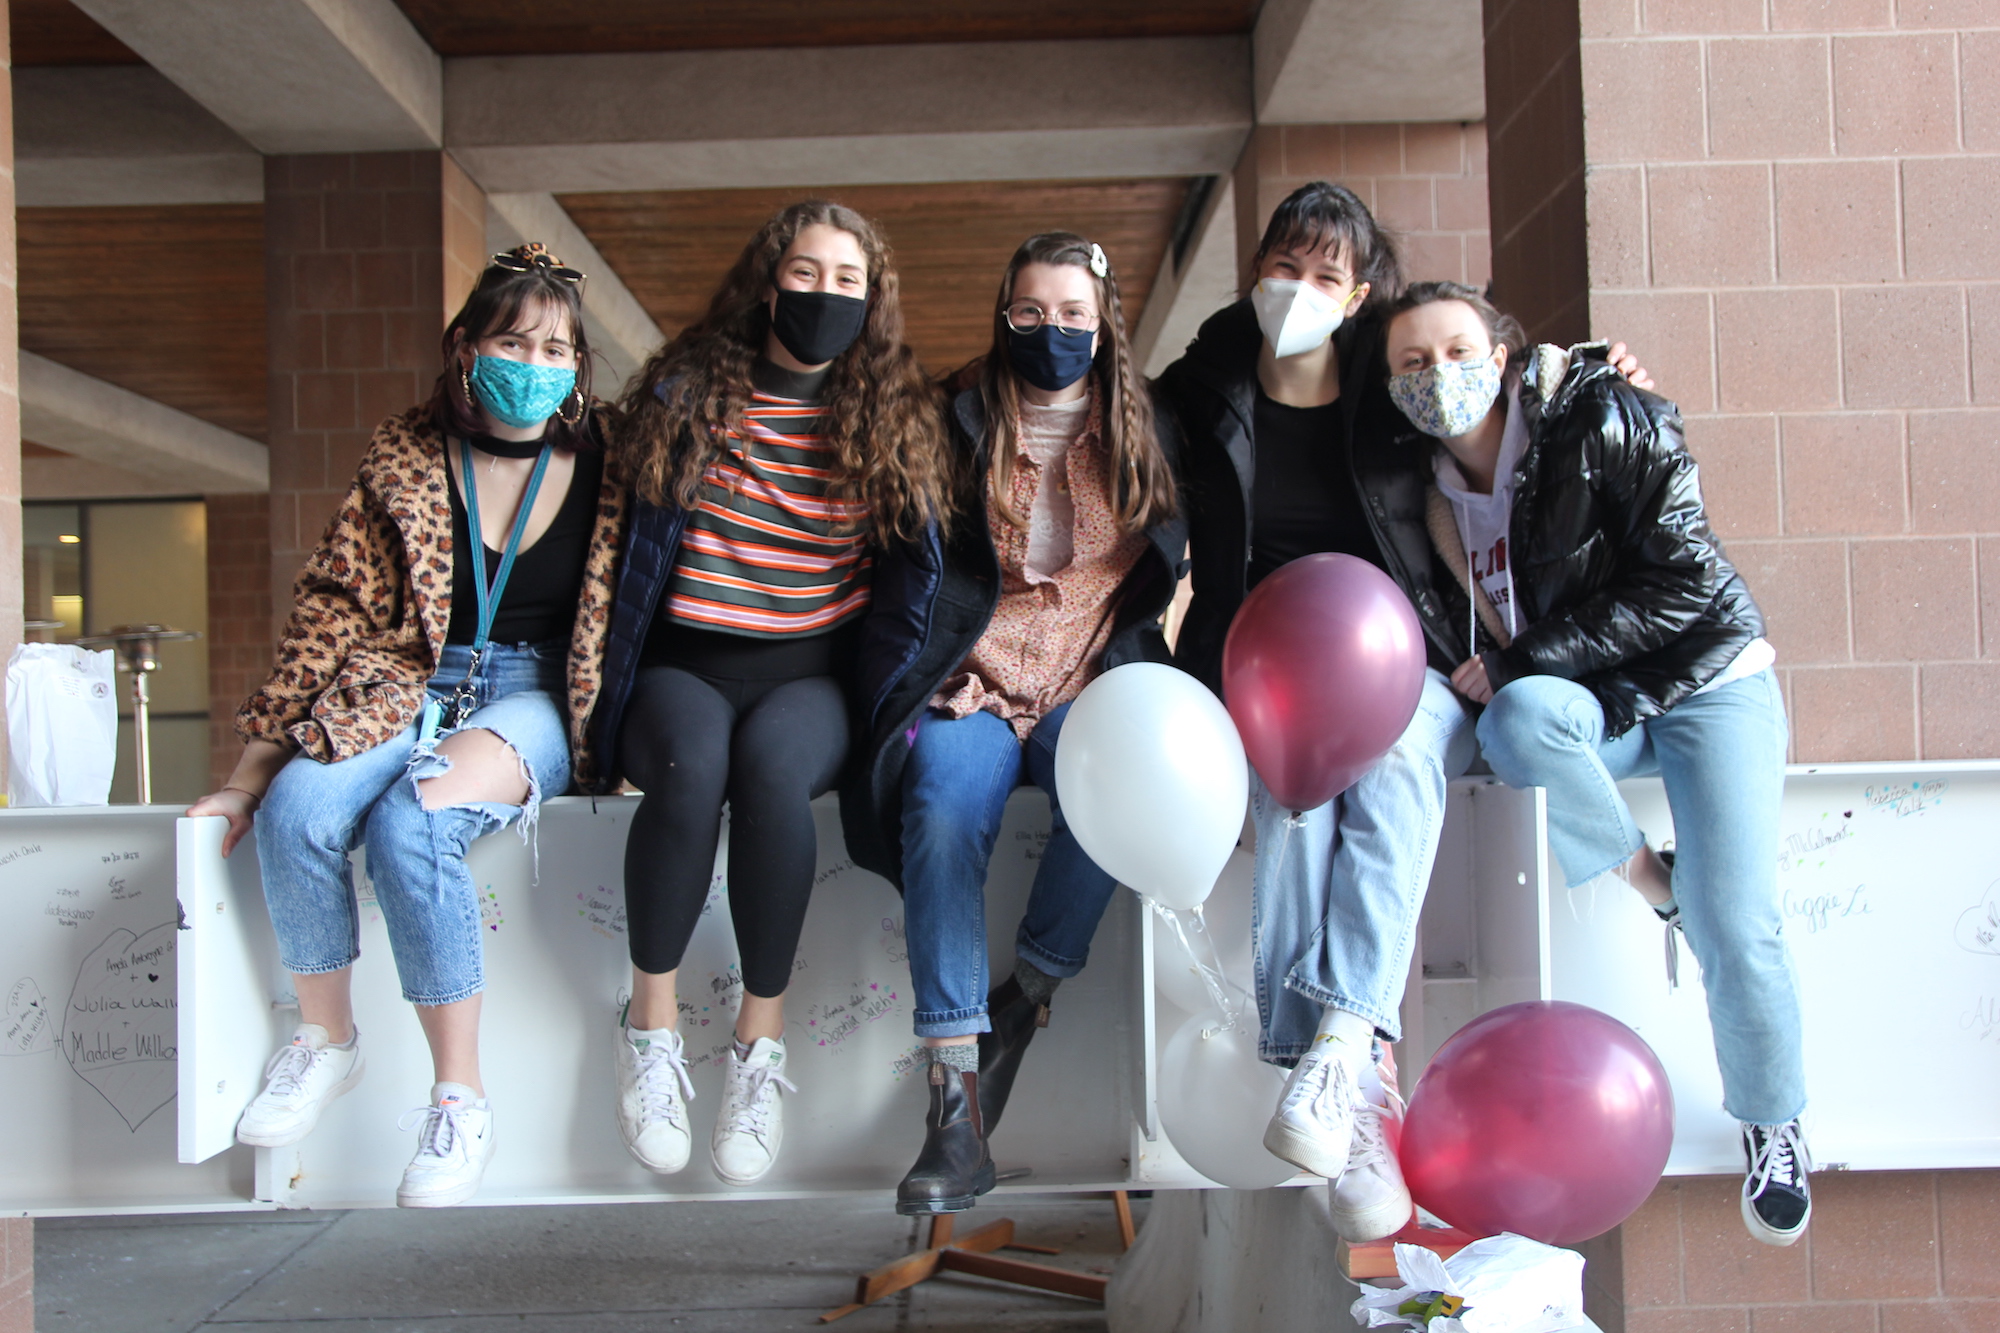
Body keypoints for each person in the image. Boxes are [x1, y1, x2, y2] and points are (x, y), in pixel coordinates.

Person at [1157, 181, 1652, 1243]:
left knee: (1390, 771)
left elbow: (1487, 386)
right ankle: (1345, 1088)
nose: (1297, 289)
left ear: (1359, 291)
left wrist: (1593, 380)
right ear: (1255, 274)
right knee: (1292, 799)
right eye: (1282, 267)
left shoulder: (1390, 383)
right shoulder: (1207, 384)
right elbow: (1117, 426)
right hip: (1265, 673)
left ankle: (1335, 1043)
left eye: (1325, 275)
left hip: (1406, 660)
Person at [186, 244, 624, 1208]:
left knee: (412, 819)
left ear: (579, 369)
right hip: (412, 676)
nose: (536, 362)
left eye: (558, 348)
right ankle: (325, 1039)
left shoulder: (611, 463)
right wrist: (248, 775)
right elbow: (331, 611)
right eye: (515, 339)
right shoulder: (406, 454)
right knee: (302, 808)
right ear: (466, 348)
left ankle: (459, 1097)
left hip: (541, 694)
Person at [1382, 281, 1808, 1246]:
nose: (1437, 376)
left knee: (1739, 927)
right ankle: (1660, 886)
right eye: (1411, 363)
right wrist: (1519, 672)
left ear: (1503, 353)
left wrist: (1521, 659)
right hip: (1594, 698)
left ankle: (1773, 1118)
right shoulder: (1424, 493)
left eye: (1456, 351)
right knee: (1516, 723)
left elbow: (1685, 583)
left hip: (1706, 675)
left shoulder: (1606, 413)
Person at [593, 201, 953, 1187]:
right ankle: (651, 1032)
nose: (824, 295)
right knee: (689, 767)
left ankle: (758, 1051)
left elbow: (919, 585)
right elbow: (611, 542)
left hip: (808, 674)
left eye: (847, 280)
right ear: (767, 282)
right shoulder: (684, 394)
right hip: (681, 663)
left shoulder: (890, 418)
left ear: (871, 301)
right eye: (807, 273)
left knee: (770, 775)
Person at [840, 234, 1185, 1215]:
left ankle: (1025, 994)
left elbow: (1264, 396)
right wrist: (921, 677)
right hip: (972, 679)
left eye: (1072, 314)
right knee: (941, 807)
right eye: (1029, 312)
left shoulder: (1150, 421)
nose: (1051, 331)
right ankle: (952, 1100)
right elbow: (900, 577)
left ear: (1103, 320)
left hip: (1087, 677)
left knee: (1123, 798)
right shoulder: (948, 416)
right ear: (1002, 314)